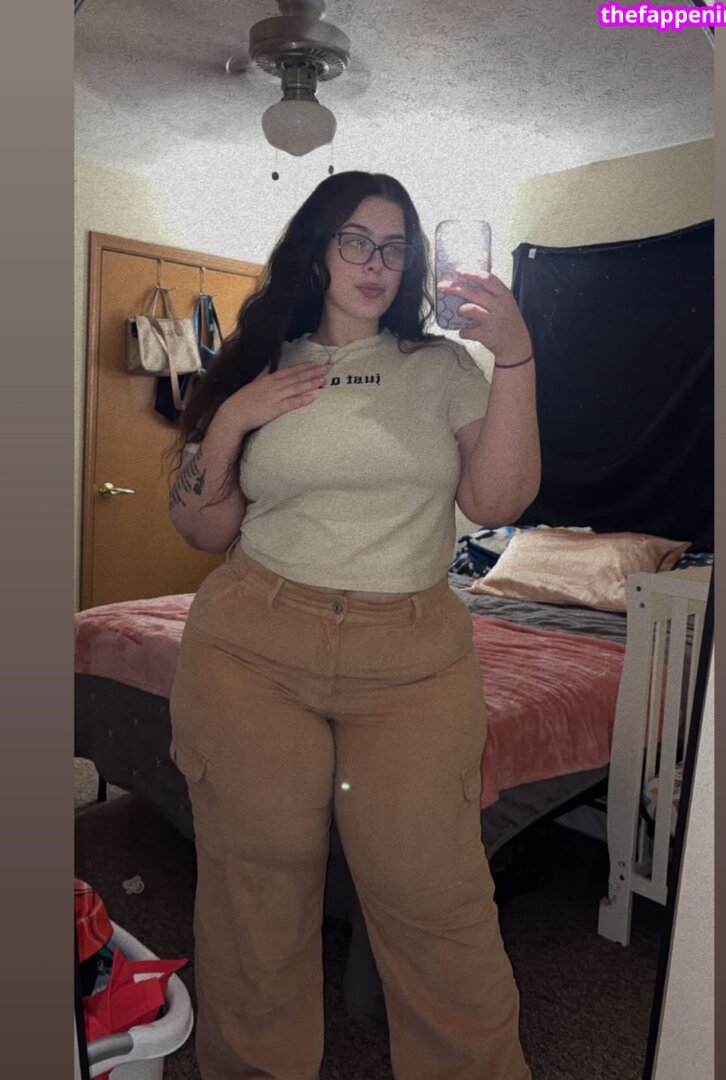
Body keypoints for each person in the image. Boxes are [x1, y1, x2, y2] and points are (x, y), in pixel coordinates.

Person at [168, 170, 540, 1080]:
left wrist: (517, 357)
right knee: (254, 893)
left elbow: (497, 501)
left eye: (395, 247)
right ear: (318, 252)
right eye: (356, 241)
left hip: (412, 659)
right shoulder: (258, 359)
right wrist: (232, 422)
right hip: (253, 647)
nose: (377, 262)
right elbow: (202, 529)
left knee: (436, 897)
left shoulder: (441, 368)